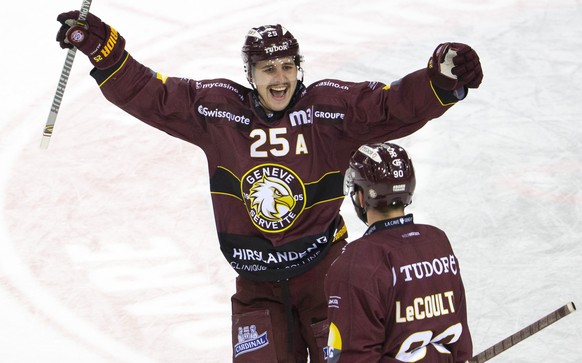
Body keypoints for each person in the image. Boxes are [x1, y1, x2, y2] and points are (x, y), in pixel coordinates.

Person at [55, 10, 482, 362]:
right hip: (257, 289)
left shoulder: (328, 109)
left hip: (326, 279)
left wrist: (439, 83)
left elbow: (391, 105)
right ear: (250, 73)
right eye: (267, 69)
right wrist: (106, 55)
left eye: (288, 66)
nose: (280, 78)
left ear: (299, 67)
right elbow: (155, 96)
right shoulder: (219, 111)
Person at [324, 142, 472, 362]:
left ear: (362, 197)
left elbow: (351, 357)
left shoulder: (355, 263)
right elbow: (460, 346)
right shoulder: (437, 242)